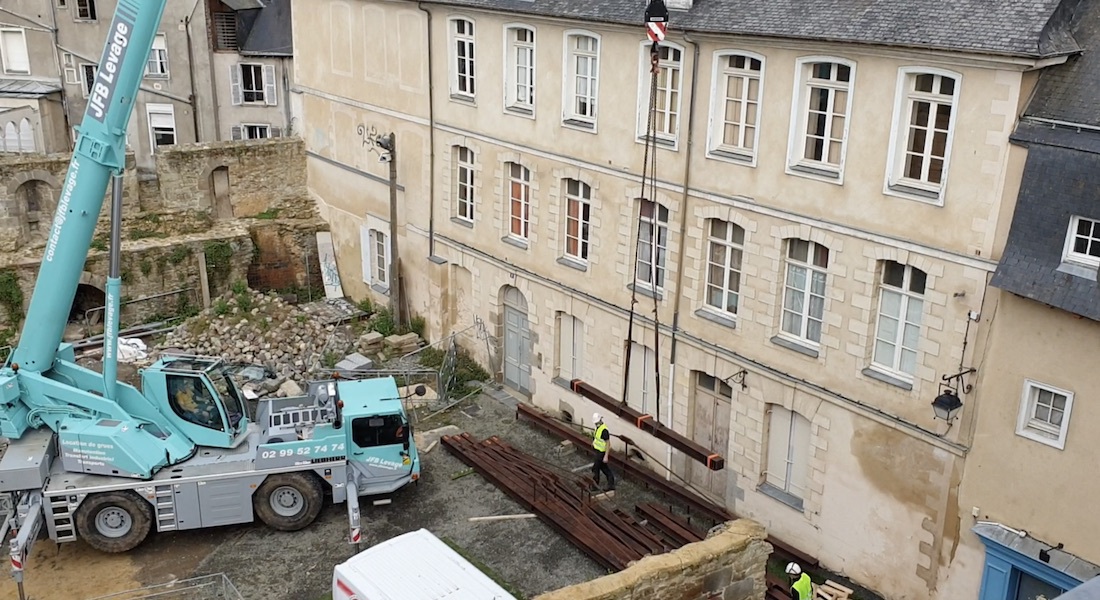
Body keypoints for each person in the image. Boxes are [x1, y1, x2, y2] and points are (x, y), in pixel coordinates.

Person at [590, 413, 616, 491]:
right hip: (598, 451)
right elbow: (597, 438)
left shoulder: (604, 430)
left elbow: (607, 443)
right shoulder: (598, 428)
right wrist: (593, 443)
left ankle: (595, 485)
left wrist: (606, 456)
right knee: (604, 468)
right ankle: (611, 484)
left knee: (595, 468)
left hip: (601, 453)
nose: (596, 424)